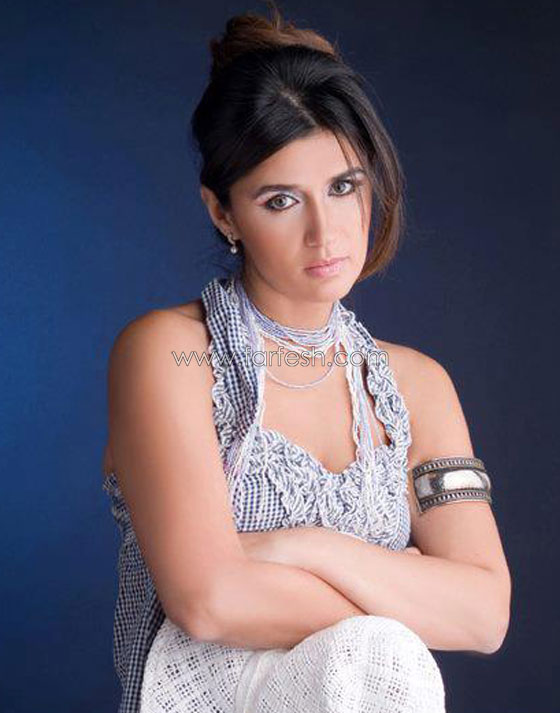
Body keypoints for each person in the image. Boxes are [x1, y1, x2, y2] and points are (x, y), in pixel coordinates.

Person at [102, 3, 511, 711]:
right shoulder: (173, 355)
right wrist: (406, 598)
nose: (327, 232)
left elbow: (485, 615)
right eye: (281, 200)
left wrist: (307, 546)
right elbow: (209, 600)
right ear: (223, 213)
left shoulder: (417, 386)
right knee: (384, 655)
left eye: (343, 187)